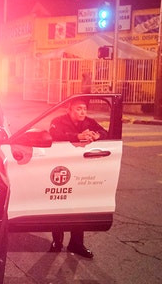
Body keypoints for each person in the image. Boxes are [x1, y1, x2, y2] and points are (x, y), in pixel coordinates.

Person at [47, 97, 108, 259]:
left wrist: (96, 136)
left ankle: (76, 243)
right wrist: (77, 136)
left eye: (84, 109)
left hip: (81, 167)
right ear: (69, 110)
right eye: (78, 109)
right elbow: (55, 135)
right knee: (59, 203)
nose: (82, 112)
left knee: (79, 206)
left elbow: (105, 132)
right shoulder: (58, 121)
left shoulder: (89, 122)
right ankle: (57, 241)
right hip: (62, 165)